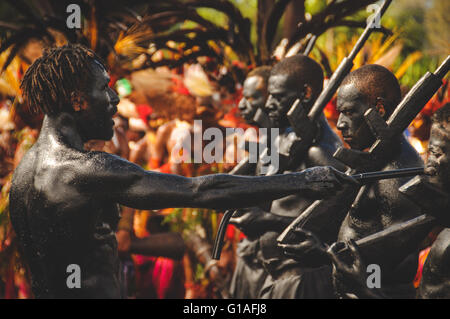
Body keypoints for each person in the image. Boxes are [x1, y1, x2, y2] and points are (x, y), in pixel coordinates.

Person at [9, 44, 352, 298]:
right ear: (78, 100)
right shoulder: (83, 170)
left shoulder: (26, 170)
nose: (114, 98)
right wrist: (301, 180)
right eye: (104, 88)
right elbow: (198, 191)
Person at [232, 55, 346, 299]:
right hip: (277, 276)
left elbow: (334, 226)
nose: (269, 104)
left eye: (278, 97)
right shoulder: (285, 142)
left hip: (302, 279)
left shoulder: (321, 151)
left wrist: (268, 220)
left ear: (305, 94)